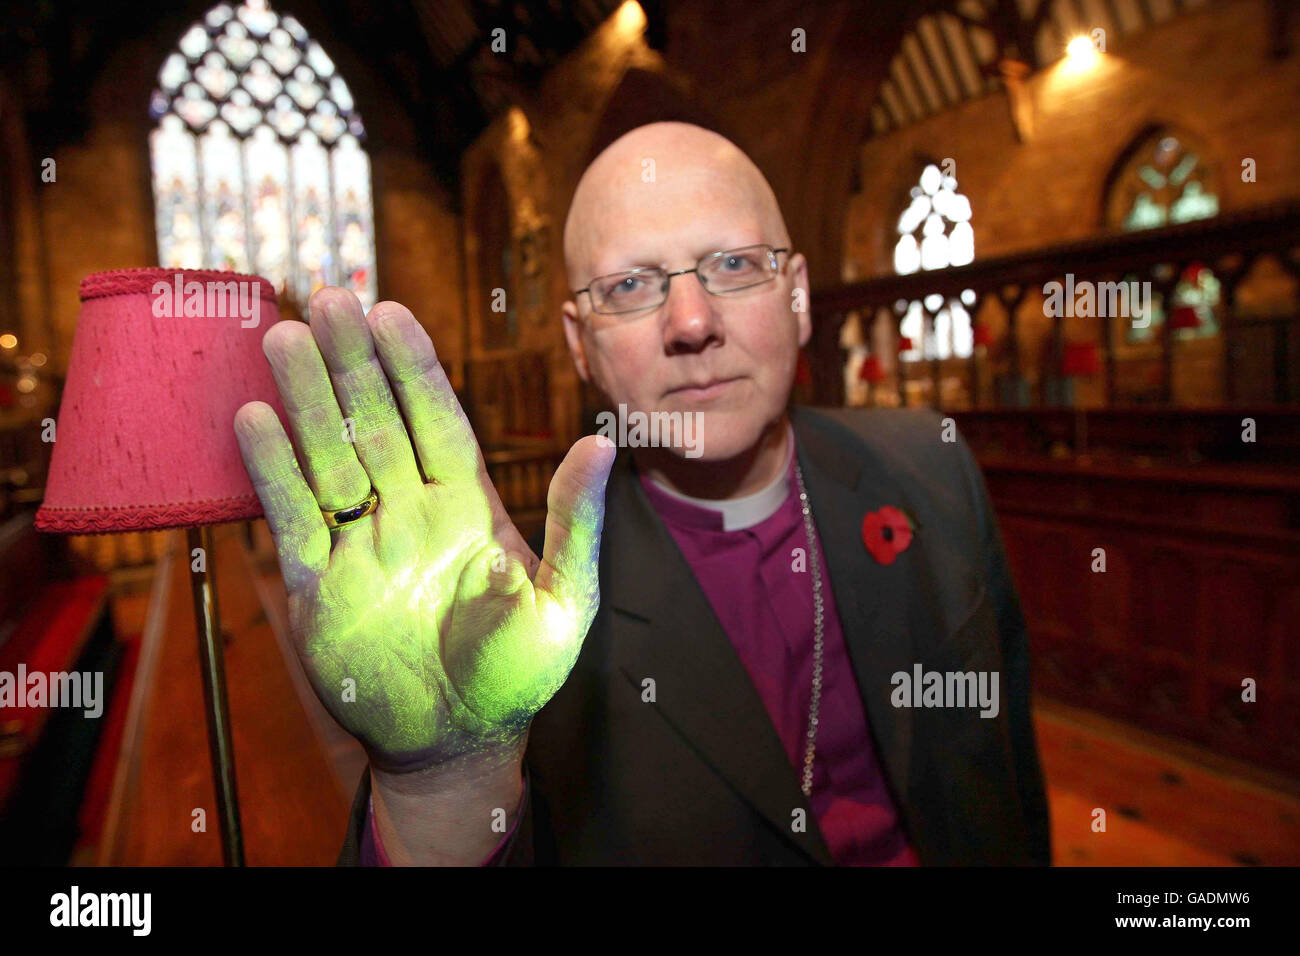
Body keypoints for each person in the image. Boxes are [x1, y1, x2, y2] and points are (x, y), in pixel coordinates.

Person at [234, 121, 1051, 866]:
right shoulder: (517, 612)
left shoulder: (933, 469)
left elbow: (1007, 779)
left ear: (798, 296)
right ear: (579, 343)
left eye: (734, 264)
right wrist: (438, 786)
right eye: (630, 285)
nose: (691, 322)